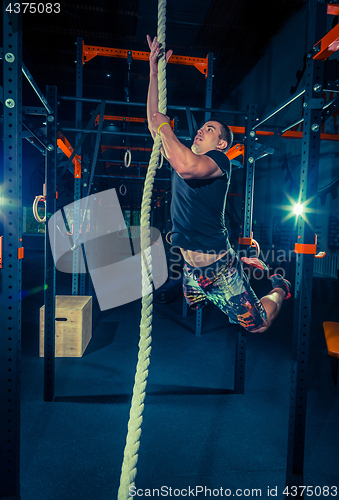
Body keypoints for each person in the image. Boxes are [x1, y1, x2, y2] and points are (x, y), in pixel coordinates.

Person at [146, 35, 291, 333]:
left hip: (219, 270)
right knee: (194, 303)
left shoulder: (219, 162)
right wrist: (153, 71)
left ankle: (280, 286)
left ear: (221, 143)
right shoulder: (181, 153)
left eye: (209, 129)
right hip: (190, 269)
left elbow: (184, 165)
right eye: (201, 127)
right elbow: (153, 121)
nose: (201, 130)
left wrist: (164, 125)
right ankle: (241, 267)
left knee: (259, 325)